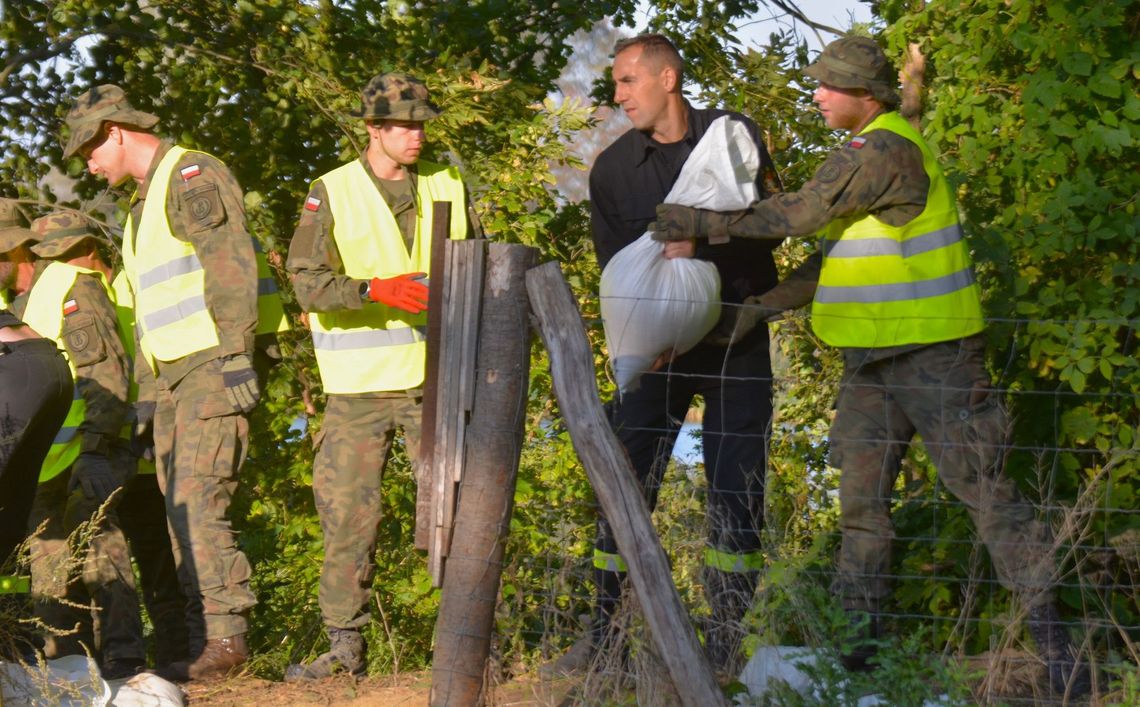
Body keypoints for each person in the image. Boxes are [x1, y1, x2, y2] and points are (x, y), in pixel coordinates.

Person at [651, 36, 1091, 696]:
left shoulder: (882, 148)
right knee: (860, 512)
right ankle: (857, 661)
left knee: (991, 501)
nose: (818, 95)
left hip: (935, 359)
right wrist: (758, 310)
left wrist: (699, 220)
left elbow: (800, 213)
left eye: (829, 85)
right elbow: (828, 258)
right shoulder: (865, 153)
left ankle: (1063, 656)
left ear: (866, 94)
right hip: (872, 366)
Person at [545, 34, 784, 679]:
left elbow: (777, 219)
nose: (617, 95)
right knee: (624, 484)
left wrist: (704, 248)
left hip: (737, 340)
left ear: (668, 78)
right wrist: (643, 340)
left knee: (738, 492)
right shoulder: (614, 170)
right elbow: (618, 275)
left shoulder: (732, 139)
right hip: (659, 358)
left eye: (626, 81)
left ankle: (725, 644)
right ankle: (607, 638)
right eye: (616, 84)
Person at [62, 84, 288, 681]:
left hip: (212, 365)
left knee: (200, 502)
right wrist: (144, 399)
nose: (86, 161)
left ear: (114, 131)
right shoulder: (141, 206)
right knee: (180, 509)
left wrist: (239, 354)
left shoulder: (190, 173)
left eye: (88, 146)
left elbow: (229, 261)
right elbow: (149, 315)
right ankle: (199, 640)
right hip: (172, 378)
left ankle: (226, 640)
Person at [284, 72, 479, 681]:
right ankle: (345, 653)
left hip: (439, 383)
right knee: (348, 518)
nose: (418, 136)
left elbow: (481, 269)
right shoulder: (333, 190)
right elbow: (306, 282)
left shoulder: (447, 184)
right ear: (374, 129)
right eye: (405, 125)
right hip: (357, 391)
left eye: (422, 124)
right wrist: (376, 291)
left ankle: (473, 642)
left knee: (460, 511)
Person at [30, 211, 190, 671]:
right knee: (115, 554)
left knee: (138, 553)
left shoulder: (88, 287)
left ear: (87, 250)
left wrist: (101, 446)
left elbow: (113, 373)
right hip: (106, 447)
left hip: (120, 446)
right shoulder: (75, 287)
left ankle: (138, 656)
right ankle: (107, 659)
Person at [9, 211, 146, 678]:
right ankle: (69, 665)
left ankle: (124, 661)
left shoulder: (72, 285)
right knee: (50, 567)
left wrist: (95, 448)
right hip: (46, 460)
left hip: (88, 450)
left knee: (100, 550)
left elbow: (103, 370)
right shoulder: (26, 301)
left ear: (15, 251)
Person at [0, 200, 74, 576]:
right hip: (40, 371)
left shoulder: (60, 281)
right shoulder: (25, 295)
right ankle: (16, 632)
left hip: (18, 371)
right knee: (11, 523)